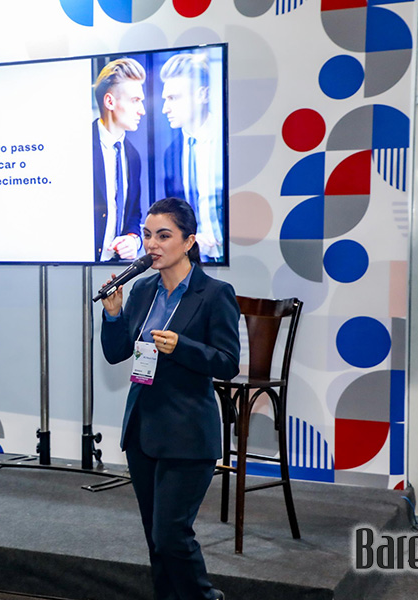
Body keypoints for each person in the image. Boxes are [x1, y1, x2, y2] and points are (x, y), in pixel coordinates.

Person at [100, 197, 239, 600]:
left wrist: (182, 346)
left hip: (187, 431)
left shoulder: (214, 293)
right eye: (147, 235)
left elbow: (228, 363)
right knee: (155, 538)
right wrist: (113, 315)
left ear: (189, 241)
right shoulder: (143, 289)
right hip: (143, 427)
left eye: (164, 236)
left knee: (171, 534)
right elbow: (116, 352)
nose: (152, 245)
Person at [159, 53, 225, 263]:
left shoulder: (225, 141)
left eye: (173, 98)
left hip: (241, 256)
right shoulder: (172, 153)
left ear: (202, 95)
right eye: (165, 99)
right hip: (194, 264)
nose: (165, 108)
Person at [92, 57, 146, 262]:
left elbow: (134, 215)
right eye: (135, 100)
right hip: (77, 266)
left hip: (116, 269)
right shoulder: (79, 147)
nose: (142, 110)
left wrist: (133, 240)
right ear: (110, 102)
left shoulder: (133, 155)